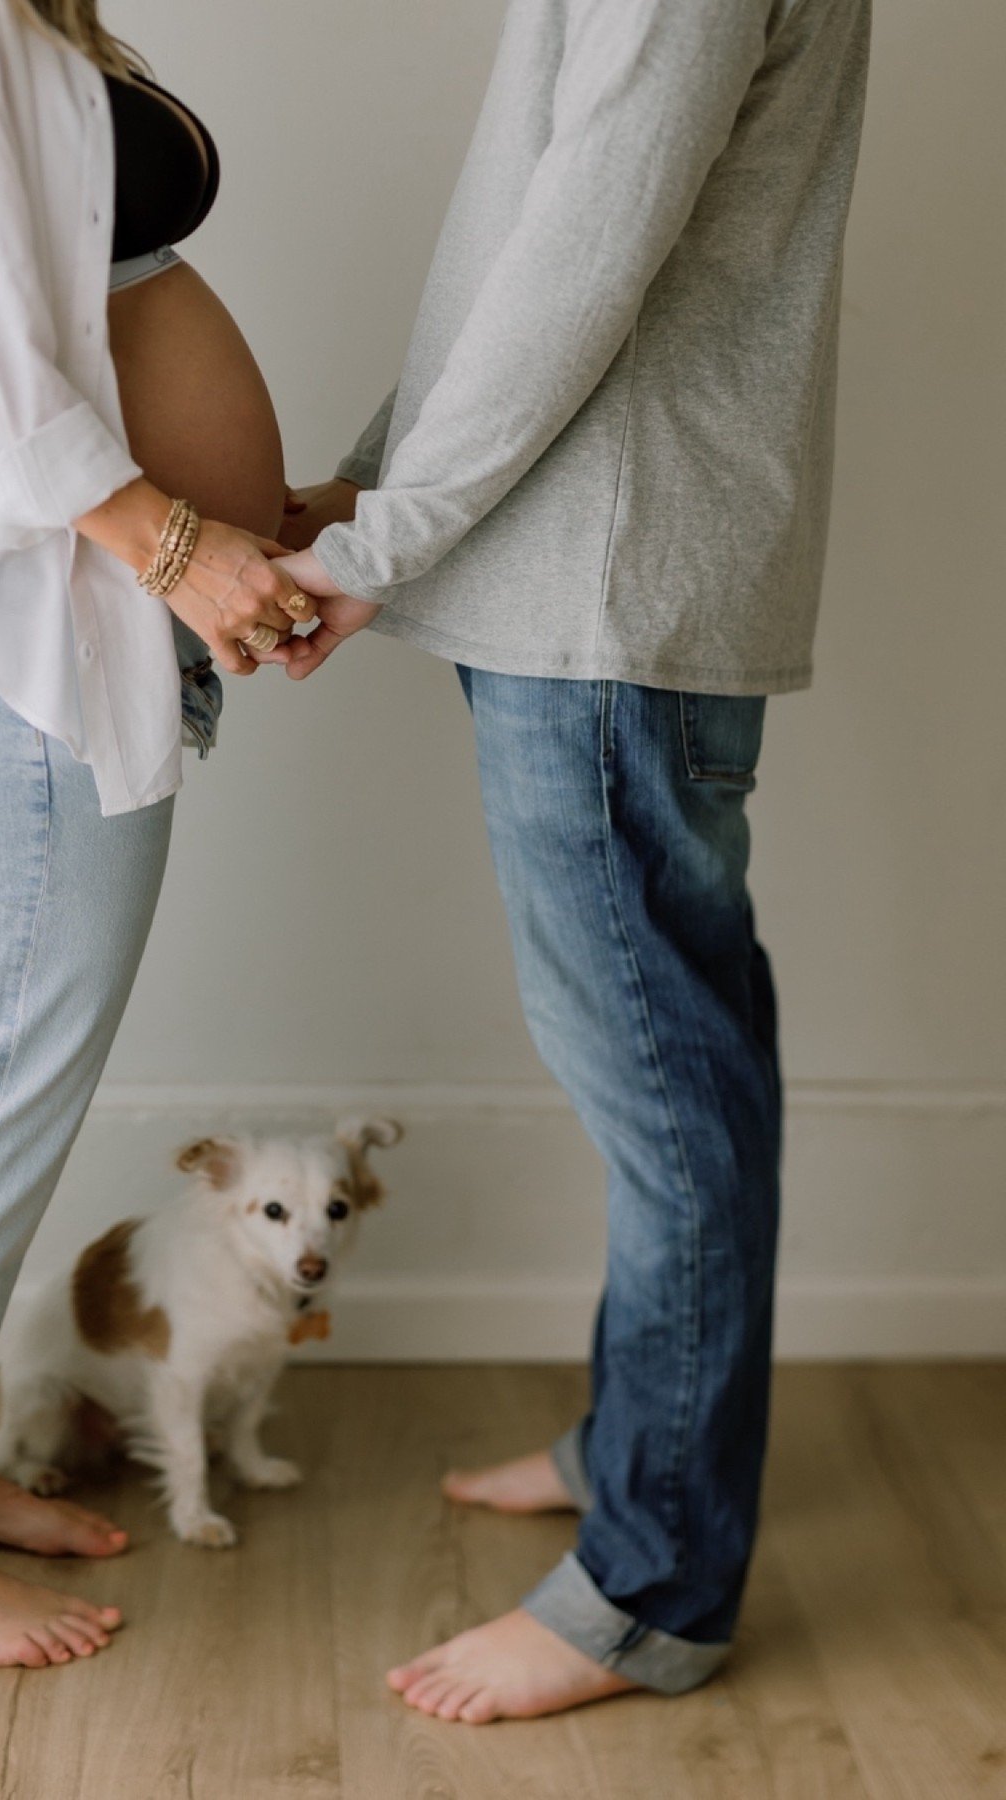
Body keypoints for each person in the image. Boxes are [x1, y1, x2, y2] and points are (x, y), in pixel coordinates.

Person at [277, 0, 870, 1724]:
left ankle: (649, 1587)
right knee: (685, 1076)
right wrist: (373, 490)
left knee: (668, 1101)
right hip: (583, 570)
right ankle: (640, 1447)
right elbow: (537, 233)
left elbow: (585, 251)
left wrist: (384, 532)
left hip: (600, 584)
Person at [0, 0, 310, 1668]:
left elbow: (77, 319)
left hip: (75, 639)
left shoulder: (13, 15)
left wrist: (266, 525)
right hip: (6, 646)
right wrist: (181, 547)